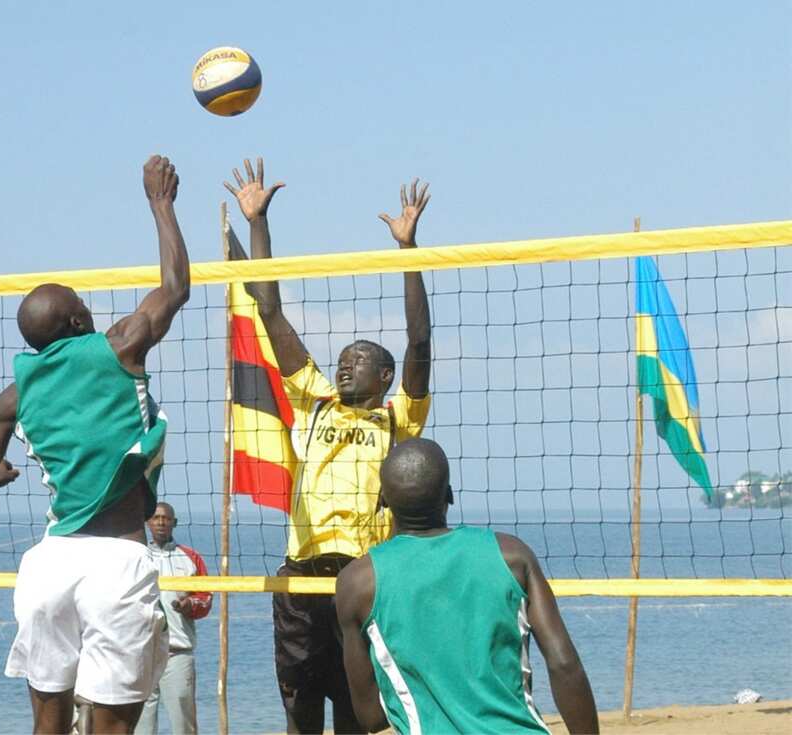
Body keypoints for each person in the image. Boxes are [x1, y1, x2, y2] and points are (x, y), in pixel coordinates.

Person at [0, 154, 190, 735]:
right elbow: (176, 287)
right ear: (80, 322)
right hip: (116, 558)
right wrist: (161, 203)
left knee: (49, 722)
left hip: (50, 564)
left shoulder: (14, 395)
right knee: (112, 727)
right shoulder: (118, 346)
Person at [225, 158, 433, 734]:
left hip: (364, 574)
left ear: (385, 376)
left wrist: (407, 252)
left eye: (359, 359)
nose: (345, 366)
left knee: (358, 710)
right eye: (342, 359)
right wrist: (258, 222)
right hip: (302, 575)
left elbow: (419, 338)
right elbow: (270, 310)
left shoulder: (399, 417)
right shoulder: (315, 400)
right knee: (299, 707)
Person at [335, 438, 600, 734]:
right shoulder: (511, 555)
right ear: (448, 494)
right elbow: (564, 665)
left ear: (382, 500)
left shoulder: (357, 583)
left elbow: (370, 717)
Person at [135, 502, 213, 735]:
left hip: (177, 650)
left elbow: (205, 598)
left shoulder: (190, 557)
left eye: (166, 519)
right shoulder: (136, 555)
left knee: (183, 718)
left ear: (174, 523)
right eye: (156, 518)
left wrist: (189, 605)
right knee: (142, 721)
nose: (161, 522)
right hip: (142, 651)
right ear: (148, 522)